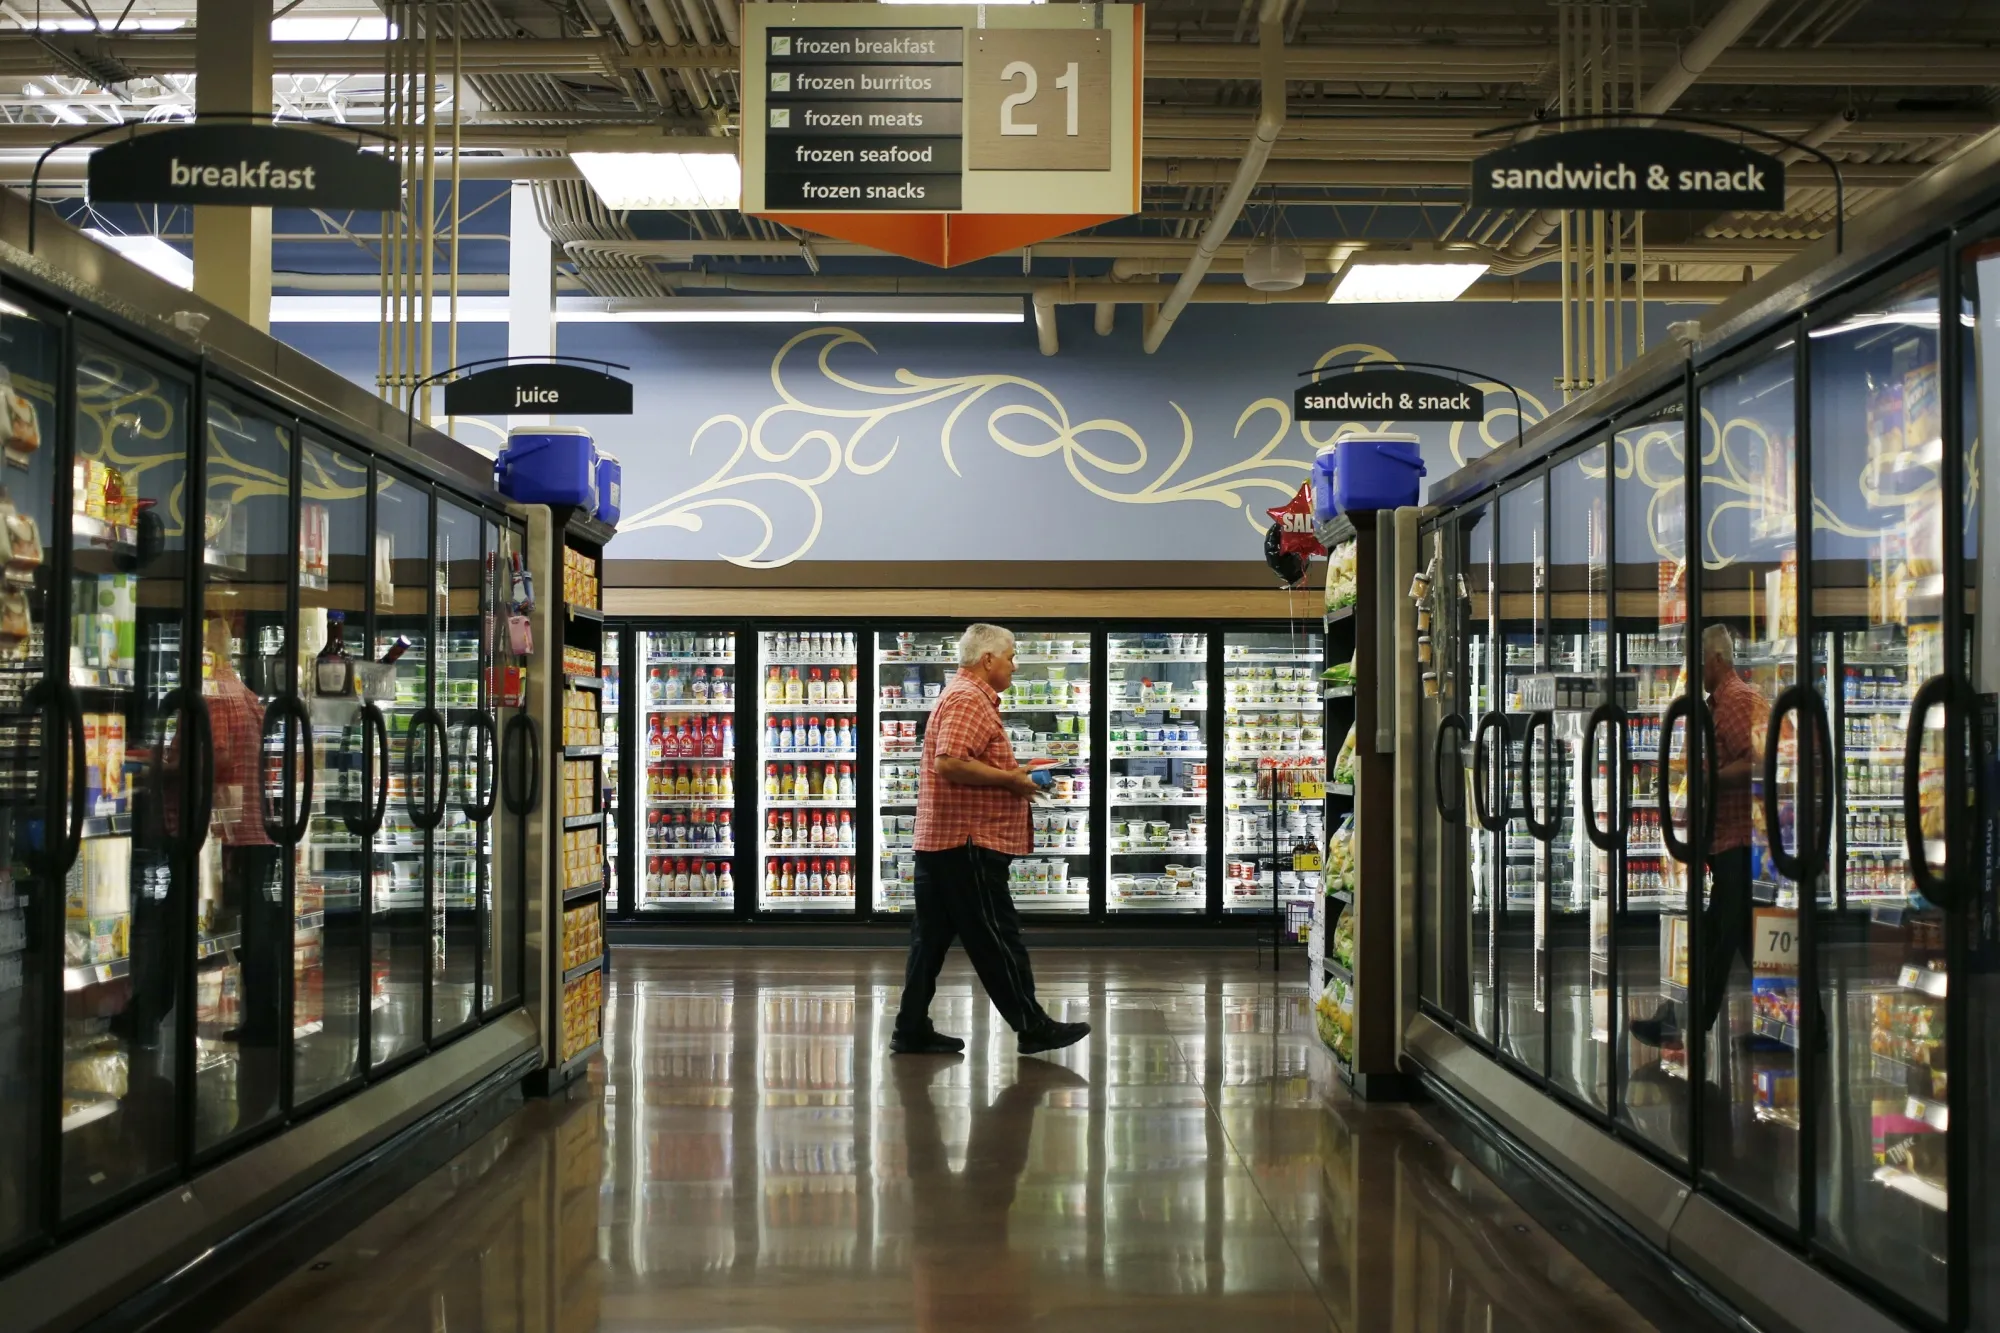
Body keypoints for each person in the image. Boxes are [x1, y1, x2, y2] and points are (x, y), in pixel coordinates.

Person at [891, 623, 1091, 1057]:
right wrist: (1012, 780)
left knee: (929, 940)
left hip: (943, 841)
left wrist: (1016, 771)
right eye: (1011, 656)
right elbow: (949, 763)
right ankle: (1033, 1027)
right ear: (987, 660)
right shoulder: (968, 698)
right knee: (997, 936)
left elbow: (962, 760)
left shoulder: (965, 696)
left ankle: (910, 1027)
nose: (1014, 665)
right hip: (967, 843)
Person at [1632, 623, 1767, 1049]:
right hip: (1729, 839)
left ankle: (1679, 1021)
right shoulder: (1717, 702)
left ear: (1717, 659)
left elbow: (1762, 762)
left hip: (1741, 842)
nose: (1692, 668)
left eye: (1697, 659)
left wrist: (1707, 780)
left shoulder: (1737, 700)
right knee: (1754, 940)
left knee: (1713, 936)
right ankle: (1806, 1026)